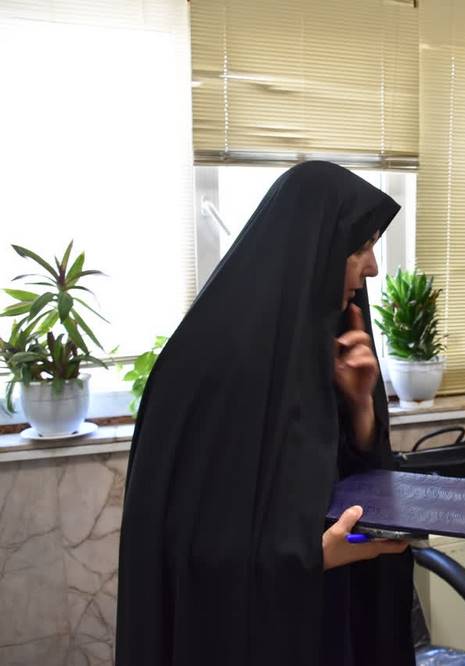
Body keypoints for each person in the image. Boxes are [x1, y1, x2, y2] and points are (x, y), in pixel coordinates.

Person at [117, 161, 415, 666]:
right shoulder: (209, 364)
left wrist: (361, 408)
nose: (372, 269)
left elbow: (343, 483)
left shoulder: (328, 348)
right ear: (314, 248)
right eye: (360, 247)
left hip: (325, 623)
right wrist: (310, 558)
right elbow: (187, 546)